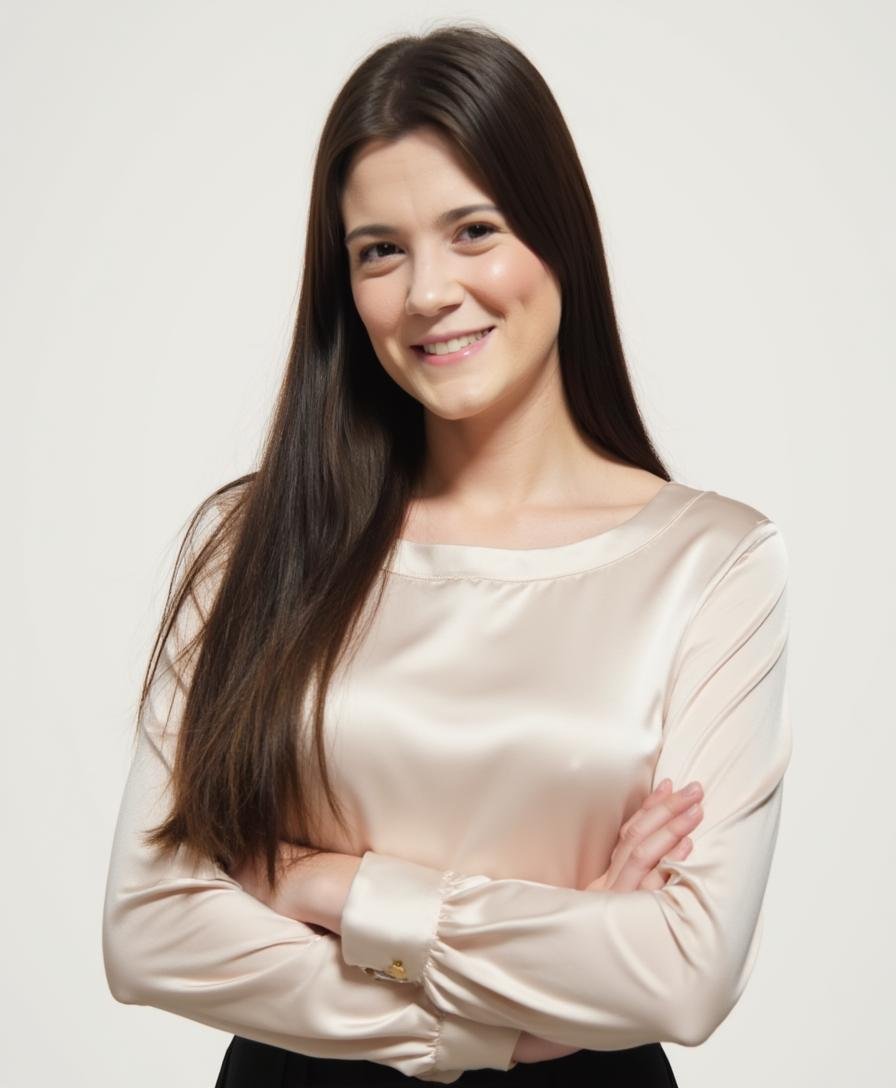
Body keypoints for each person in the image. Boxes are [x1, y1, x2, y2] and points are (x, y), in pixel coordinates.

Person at [102, 21, 792, 1088]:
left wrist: (333, 886)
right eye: (379, 249)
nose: (426, 290)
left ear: (557, 234)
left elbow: (681, 972)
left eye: (473, 230)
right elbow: (151, 929)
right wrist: (519, 1003)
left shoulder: (711, 562)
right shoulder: (256, 539)